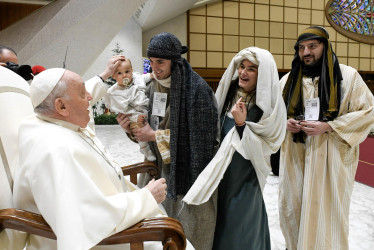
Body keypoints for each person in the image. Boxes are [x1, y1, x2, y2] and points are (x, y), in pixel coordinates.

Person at [12, 68, 170, 250]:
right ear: (62, 106)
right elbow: (85, 219)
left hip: (115, 214)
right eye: (82, 93)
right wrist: (146, 197)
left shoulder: (50, 123)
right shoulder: (56, 151)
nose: (89, 97)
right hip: (104, 240)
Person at [116, 32, 219, 250]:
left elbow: (203, 142)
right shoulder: (152, 87)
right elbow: (145, 132)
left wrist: (154, 135)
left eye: (160, 62)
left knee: (187, 233)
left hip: (189, 176)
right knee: (155, 231)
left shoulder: (197, 91)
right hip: (157, 170)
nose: (155, 68)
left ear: (175, 60)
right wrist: (132, 128)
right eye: (151, 62)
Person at [279, 26, 374, 250]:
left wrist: (329, 125)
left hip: (333, 160)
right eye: (301, 48)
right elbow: (272, 116)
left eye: (313, 46)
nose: (306, 52)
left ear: (325, 46)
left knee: (329, 215)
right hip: (296, 159)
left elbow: (368, 111)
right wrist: (285, 123)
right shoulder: (287, 81)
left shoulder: (348, 77)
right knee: (293, 209)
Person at [183, 47, 287, 249]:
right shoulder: (228, 94)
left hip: (246, 177)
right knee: (219, 223)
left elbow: (269, 145)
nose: (243, 72)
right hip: (221, 174)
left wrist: (241, 125)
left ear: (262, 74)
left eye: (251, 69)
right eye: (241, 66)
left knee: (241, 224)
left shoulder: (270, 107)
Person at [103, 59, 156, 161]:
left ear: (132, 70)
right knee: (138, 129)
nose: (124, 75)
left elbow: (144, 77)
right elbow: (112, 103)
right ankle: (145, 149)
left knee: (149, 124)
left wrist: (150, 76)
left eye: (127, 71)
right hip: (132, 113)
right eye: (119, 73)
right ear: (113, 76)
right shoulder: (114, 91)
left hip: (144, 107)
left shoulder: (136, 79)